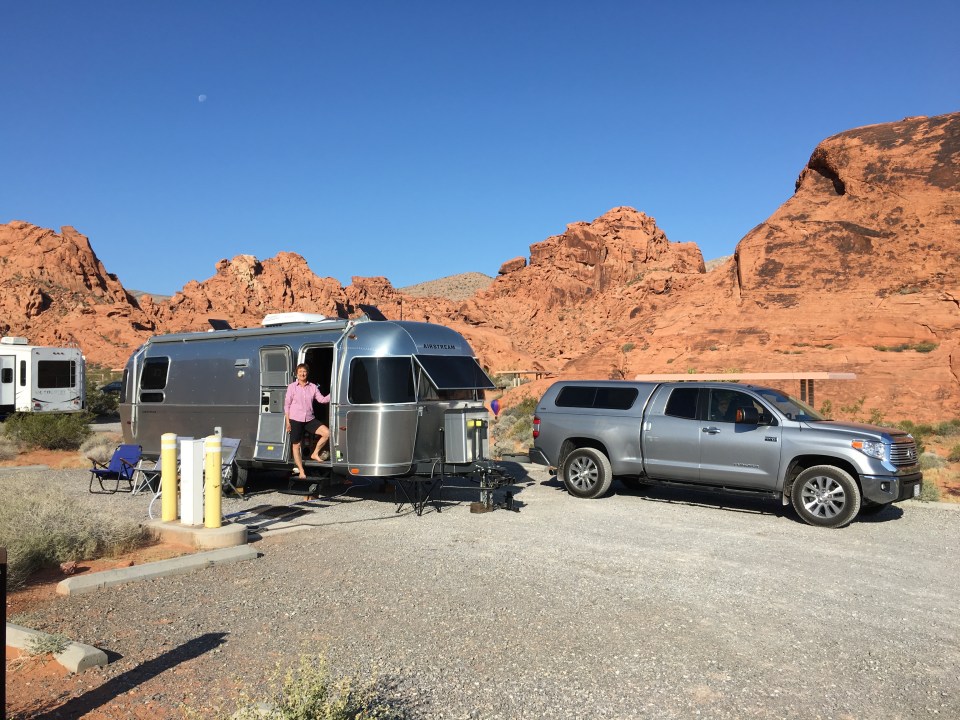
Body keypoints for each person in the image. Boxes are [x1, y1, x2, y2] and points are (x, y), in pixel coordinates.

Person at [284, 362, 331, 479]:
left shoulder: (313, 387)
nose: (302, 374)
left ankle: (315, 453)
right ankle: (301, 471)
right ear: (297, 374)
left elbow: (322, 400)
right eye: (300, 372)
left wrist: (334, 393)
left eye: (304, 371)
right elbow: (286, 405)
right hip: (295, 419)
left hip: (309, 418)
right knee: (296, 445)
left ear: (307, 373)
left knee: (327, 433)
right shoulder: (292, 387)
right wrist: (287, 422)